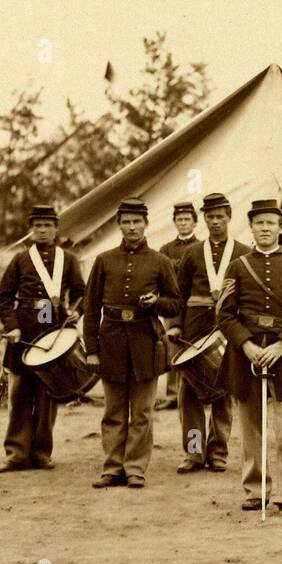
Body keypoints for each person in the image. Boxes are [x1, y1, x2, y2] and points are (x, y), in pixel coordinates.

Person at [217, 199, 282, 514]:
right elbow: (224, 314)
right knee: (251, 425)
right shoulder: (237, 266)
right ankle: (256, 488)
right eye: (259, 223)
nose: (264, 228)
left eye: (270, 223)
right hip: (246, 353)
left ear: (279, 227)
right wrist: (246, 344)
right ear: (251, 227)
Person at [83, 198, 182, 488]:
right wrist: (91, 350)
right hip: (111, 342)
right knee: (113, 411)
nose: (132, 227)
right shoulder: (103, 261)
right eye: (126, 222)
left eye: (137, 221)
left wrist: (156, 303)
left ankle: (136, 467)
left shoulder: (160, 262)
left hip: (145, 343)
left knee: (141, 412)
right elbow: (90, 310)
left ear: (146, 224)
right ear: (119, 225)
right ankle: (112, 467)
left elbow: (175, 304)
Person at [0, 204, 86, 472]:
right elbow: (3, 297)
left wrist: (75, 314)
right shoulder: (20, 259)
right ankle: (16, 453)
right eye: (37, 226)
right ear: (31, 230)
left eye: (47, 226)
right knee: (20, 393)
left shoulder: (68, 259)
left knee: (48, 394)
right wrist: (11, 326)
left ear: (56, 229)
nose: (42, 231)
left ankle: (42, 452)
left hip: (54, 331)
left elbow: (82, 292)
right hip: (24, 331)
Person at [169, 192, 250, 473]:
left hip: (228, 327)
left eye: (220, 216)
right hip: (193, 327)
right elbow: (179, 294)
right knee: (189, 393)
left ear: (229, 217)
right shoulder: (191, 253)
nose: (215, 222)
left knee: (223, 391)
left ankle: (218, 452)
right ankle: (193, 453)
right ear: (203, 219)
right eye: (210, 217)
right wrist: (176, 324)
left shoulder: (242, 252)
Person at [156, 202, 200, 410]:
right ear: (174, 223)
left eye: (186, 220)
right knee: (173, 346)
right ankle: (173, 394)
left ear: (194, 222)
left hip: (194, 303)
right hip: (173, 302)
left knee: (194, 347)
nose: (183, 224)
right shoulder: (165, 249)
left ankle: (197, 388)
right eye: (179, 220)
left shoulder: (201, 247)